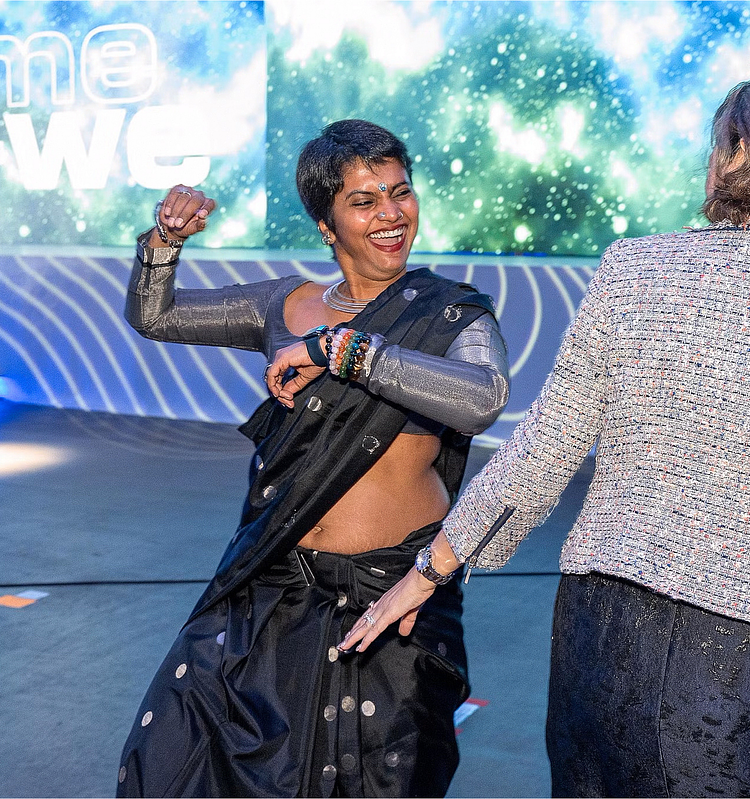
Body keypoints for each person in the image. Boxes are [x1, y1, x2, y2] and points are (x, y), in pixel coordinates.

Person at [340, 59, 750, 798]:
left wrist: (428, 571)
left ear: (736, 154)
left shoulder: (635, 270)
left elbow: (540, 453)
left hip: (604, 643)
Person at [115, 119, 510, 798]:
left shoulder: (449, 316)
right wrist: (164, 241)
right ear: (326, 224)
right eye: (365, 201)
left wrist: (346, 350)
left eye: (400, 192)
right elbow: (158, 316)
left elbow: (482, 399)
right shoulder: (284, 304)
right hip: (274, 589)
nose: (391, 215)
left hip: (395, 598)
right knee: (187, 759)